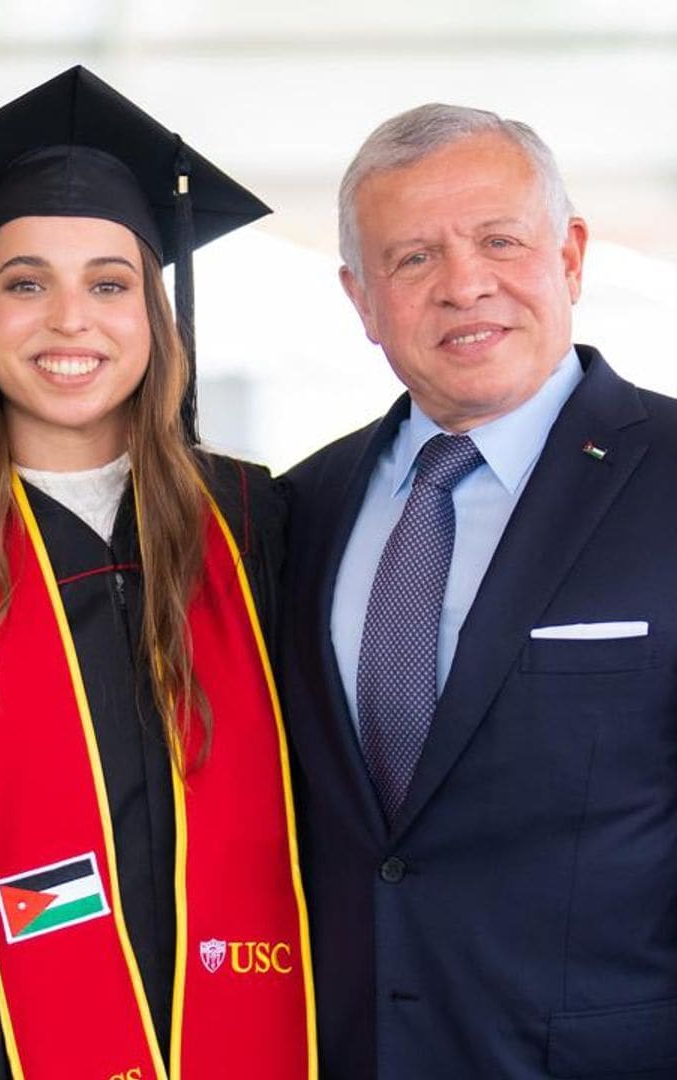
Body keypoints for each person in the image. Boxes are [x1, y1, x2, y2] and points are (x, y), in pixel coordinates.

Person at [0, 66, 316, 1079]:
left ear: (159, 319)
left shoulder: (263, 532)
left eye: (110, 283)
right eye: (26, 282)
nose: (69, 319)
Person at [281, 102, 677, 1079]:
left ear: (572, 256)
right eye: (413, 258)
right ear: (359, 297)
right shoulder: (297, 509)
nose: (465, 285)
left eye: (500, 240)